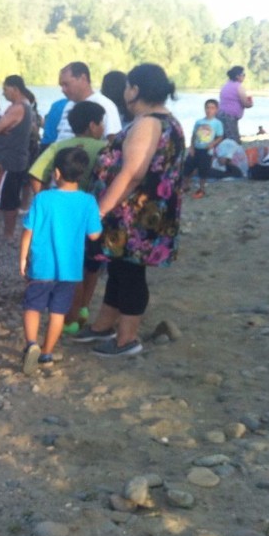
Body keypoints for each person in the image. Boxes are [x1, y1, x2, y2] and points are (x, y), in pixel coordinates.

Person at [74, 63, 186, 357]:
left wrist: (98, 211)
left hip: (134, 215)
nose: (125, 92)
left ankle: (127, 338)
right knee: (120, 270)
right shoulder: (167, 120)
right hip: (142, 213)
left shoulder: (148, 122)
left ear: (135, 89)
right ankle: (103, 326)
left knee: (130, 273)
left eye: (127, 87)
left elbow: (132, 174)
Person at [20, 147, 102, 374]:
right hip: (70, 270)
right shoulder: (88, 201)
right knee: (58, 312)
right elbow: (94, 234)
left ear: (56, 172)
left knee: (32, 307)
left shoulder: (43, 198)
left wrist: (22, 258)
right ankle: (46, 353)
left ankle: (31, 345)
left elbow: (28, 231)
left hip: (41, 267)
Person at [0, 75, 35, 238]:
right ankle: (2, 229)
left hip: (9, 161)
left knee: (8, 197)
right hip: (5, 158)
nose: (3, 94)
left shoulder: (18, 107)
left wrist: (0, 126)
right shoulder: (24, 105)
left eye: (5, 89)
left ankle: (8, 234)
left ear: (15, 89)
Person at [55, 62, 123, 140]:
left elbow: (113, 139)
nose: (63, 90)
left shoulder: (105, 105)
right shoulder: (69, 105)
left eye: (66, 84)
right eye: (61, 85)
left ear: (83, 78)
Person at [182, 99, 224, 199]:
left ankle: (201, 188)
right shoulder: (199, 122)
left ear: (216, 110)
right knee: (188, 167)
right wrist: (191, 147)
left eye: (212, 108)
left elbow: (220, 136)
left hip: (207, 150)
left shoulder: (217, 123)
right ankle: (185, 186)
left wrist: (213, 144)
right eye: (207, 108)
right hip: (196, 148)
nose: (209, 110)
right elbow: (194, 135)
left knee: (203, 170)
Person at [217, 66, 252, 143]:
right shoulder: (238, 87)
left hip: (221, 114)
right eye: (243, 74)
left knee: (223, 138)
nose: (244, 76)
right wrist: (250, 103)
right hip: (229, 117)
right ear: (237, 76)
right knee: (233, 140)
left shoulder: (226, 85)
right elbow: (246, 103)